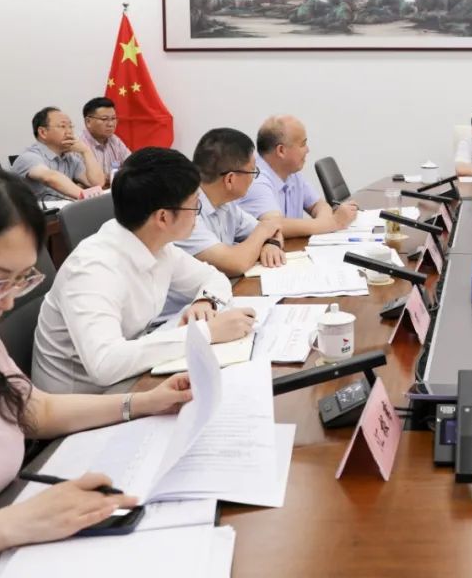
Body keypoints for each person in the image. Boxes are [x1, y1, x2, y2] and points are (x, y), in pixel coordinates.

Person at [0, 159, 194, 573]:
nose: (6, 303)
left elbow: (33, 409)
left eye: (20, 280)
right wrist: (13, 524)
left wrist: (143, 403)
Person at [32, 148, 256, 394]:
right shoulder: (92, 269)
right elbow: (105, 364)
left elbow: (212, 277)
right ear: (163, 218)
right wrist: (205, 333)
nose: (197, 214)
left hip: (130, 378)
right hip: (84, 399)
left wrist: (205, 301)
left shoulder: (157, 245)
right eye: (194, 206)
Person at [176, 128, 286, 277]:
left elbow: (274, 229)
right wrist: (263, 231)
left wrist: (271, 244)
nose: (254, 178)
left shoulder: (227, 204)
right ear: (230, 179)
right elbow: (236, 263)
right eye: (252, 171)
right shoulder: (185, 212)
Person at [237, 115, 357, 238]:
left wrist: (326, 223)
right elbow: (274, 225)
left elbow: (318, 205)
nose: (307, 150)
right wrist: (334, 223)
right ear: (281, 151)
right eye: (303, 144)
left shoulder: (292, 172)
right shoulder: (255, 179)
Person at [11, 107, 104, 202]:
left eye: (70, 126)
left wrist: (86, 151)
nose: (69, 131)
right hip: (37, 211)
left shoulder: (69, 158)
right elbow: (51, 178)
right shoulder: (29, 157)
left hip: (64, 209)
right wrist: (87, 197)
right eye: (63, 126)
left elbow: (97, 183)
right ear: (43, 132)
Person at [80, 97, 131, 186]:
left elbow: (132, 165)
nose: (111, 124)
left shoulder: (115, 140)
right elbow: (85, 181)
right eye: (104, 119)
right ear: (88, 122)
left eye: (113, 118)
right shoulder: (78, 145)